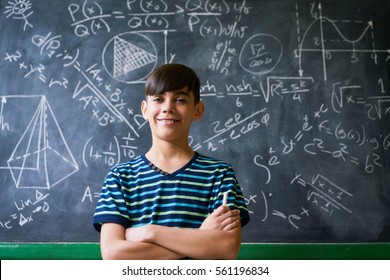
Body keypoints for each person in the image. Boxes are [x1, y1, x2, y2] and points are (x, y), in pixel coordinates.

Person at [93, 63, 250, 259]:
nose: (168, 108)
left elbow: (226, 248)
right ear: (145, 109)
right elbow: (113, 254)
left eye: (180, 100)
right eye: (158, 99)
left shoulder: (220, 174)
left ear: (198, 110)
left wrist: (149, 232)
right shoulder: (120, 178)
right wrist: (200, 239)